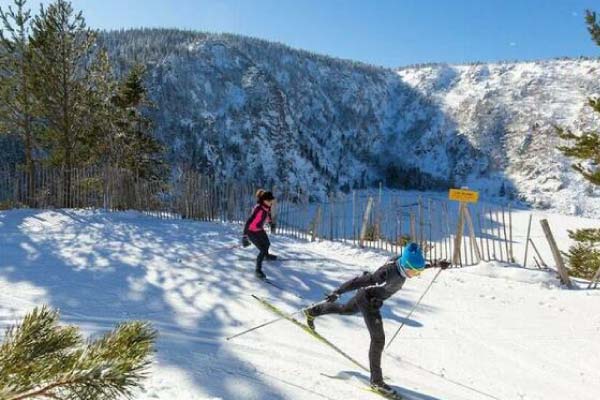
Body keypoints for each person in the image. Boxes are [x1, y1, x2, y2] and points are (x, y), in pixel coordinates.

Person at [304, 242, 450, 395]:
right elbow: (360, 281)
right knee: (378, 339)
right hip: (368, 300)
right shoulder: (387, 272)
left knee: (345, 310)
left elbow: (415, 265)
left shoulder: (403, 264)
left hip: (365, 296)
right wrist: (338, 291)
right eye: (416, 271)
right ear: (406, 267)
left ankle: (313, 311)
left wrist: (434, 264)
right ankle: (376, 382)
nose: (418, 274)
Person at [242, 189, 277, 279]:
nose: (271, 202)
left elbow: (267, 215)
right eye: (270, 201)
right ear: (265, 200)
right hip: (251, 231)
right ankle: (258, 270)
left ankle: (266, 255)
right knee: (262, 249)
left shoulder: (267, 207)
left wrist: (270, 223)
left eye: (272, 200)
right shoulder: (258, 209)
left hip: (259, 230)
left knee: (267, 244)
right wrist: (245, 237)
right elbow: (248, 222)